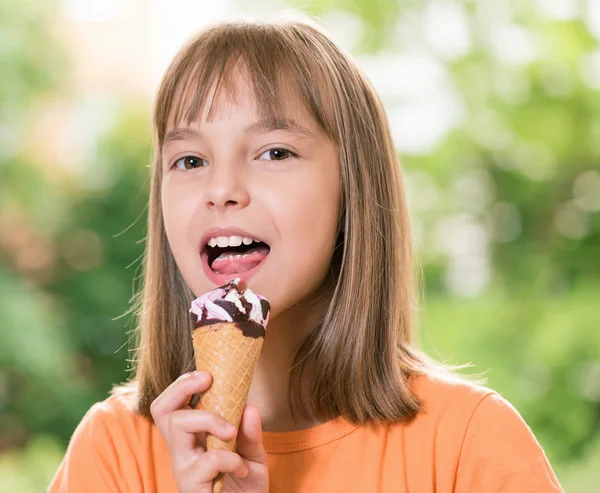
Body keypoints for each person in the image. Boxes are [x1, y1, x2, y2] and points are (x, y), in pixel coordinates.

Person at [48, 13, 563, 493]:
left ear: (353, 188)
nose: (222, 188)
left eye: (274, 152)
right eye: (189, 159)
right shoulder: (114, 451)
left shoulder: (468, 445)